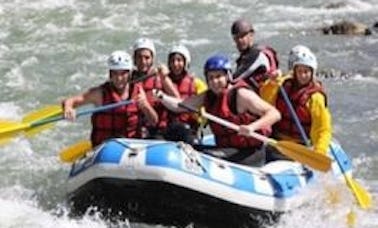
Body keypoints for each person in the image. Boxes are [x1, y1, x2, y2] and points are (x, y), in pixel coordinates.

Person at [155, 54, 281, 166]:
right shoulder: (209, 96)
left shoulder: (240, 95)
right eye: (211, 78)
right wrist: (161, 97)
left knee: (205, 155)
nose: (215, 81)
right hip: (226, 148)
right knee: (192, 149)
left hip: (250, 153)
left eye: (219, 76)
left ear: (228, 76)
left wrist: (252, 127)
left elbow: (274, 114)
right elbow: (180, 106)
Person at [62, 50, 158, 147]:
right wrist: (68, 108)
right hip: (105, 148)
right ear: (110, 74)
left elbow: (154, 121)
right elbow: (70, 101)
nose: (119, 78)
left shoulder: (138, 91)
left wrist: (145, 106)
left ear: (129, 74)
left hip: (131, 147)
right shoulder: (99, 94)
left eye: (123, 74)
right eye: (115, 74)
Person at [262, 46, 332, 160]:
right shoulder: (283, 85)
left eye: (306, 72)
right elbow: (265, 101)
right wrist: (271, 83)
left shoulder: (316, 97)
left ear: (312, 73)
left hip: (300, 146)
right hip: (276, 140)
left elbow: (323, 129)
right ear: (294, 71)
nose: (303, 75)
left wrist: (320, 151)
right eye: (299, 71)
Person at [131, 37, 180, 138]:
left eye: (147, 57)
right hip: (135, 130)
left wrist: (164, 78)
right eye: (139, 57)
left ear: (153, 59)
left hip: (158, 130)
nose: (143, 61)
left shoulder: (160, 77)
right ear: (134, 60)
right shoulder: (127, 79)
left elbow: (178, 101)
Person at [164, 44, 208, 143]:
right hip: (168, 129)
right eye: (172, 61)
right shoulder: (163, 82)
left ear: (185, 62)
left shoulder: (197, 84)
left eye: (179, 60)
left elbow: (205, 115)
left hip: (189, 130)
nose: (175, 64)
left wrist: (199, 116)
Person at [231, 18, 279, 93]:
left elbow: (234, 80)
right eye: (236, 38)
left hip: (262, 98)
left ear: (251, 34)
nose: (239, 40)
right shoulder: (257, 52)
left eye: (242, 36)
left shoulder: (256, 54)